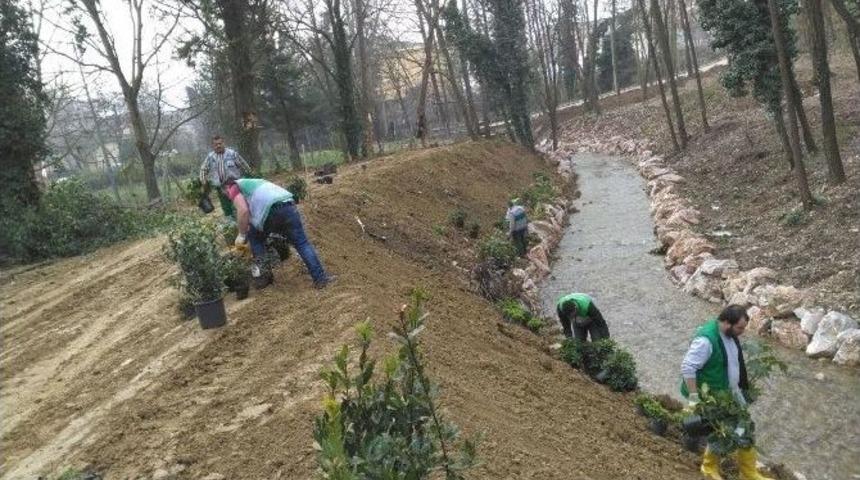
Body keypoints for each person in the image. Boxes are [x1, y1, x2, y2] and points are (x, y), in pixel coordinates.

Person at [680, 305, 773, 480]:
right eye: (740, 328)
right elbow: (687, 367)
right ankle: (711, 468)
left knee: (742, 426)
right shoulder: (706, 340)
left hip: (730, 392)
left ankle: (747, 472)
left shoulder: (729, 334)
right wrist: (693, 398)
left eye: (744, 328)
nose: (742, 332)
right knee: (725, 430)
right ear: (726, 322)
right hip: (713, 397)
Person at [223, 177, 331, 289]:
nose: (229, 197)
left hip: (271, 211)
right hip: (289, 206)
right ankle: (321, 279)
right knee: (302, 244)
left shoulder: (233, 187)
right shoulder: (254, 182)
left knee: (255, 239)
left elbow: (243, 210)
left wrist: (241, 235)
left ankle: (264, 278)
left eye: (227, 195)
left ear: (226, 187)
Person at [199, 135, 252, 216]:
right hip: (220, 187)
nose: (218, 146)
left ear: (224, 143)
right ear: (213, 146)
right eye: (216, 144)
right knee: (226, 207)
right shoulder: (210, 157)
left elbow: (244, 166)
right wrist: (203, 181)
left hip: (234, 185)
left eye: (220, 143)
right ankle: (230, 222)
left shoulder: (232, 154)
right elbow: (203, 169)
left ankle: (243, 219)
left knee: (238, 204)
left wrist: (249, 177)